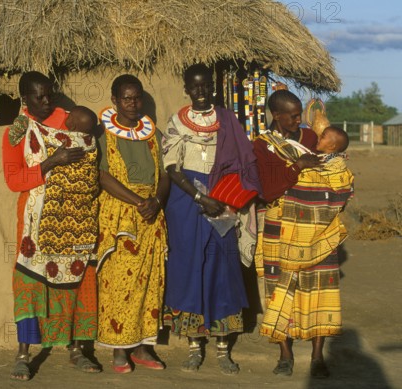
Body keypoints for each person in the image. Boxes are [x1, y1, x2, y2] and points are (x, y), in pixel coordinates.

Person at [161, 63, 262, 375]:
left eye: (206, 86)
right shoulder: (177, 122)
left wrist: (225, 198)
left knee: (222, 268)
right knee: (189, 267)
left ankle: (222, 349)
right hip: (187, 201)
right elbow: (171, 168)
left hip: (223, 198)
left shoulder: (228, 120)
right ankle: (194, 347)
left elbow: (243, 161)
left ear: (213, 88)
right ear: (187, 89)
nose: (201, 92)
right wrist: (199, 197)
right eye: (195, 87)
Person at [2, 71, 100, 381]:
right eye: (38, 97)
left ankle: (75, 348)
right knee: (30, 284)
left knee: (73, 281)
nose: (46, 102)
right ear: (24, 99)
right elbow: (14, 180)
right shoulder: (16, 133)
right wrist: (50, 163)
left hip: (75, 220)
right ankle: (23, 354)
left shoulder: (70, 120)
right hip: (35, 221)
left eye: (49, 94)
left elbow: (91, 153)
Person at [253, 90, 354, 379]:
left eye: (300, 114)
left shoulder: (311, 138)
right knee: (279, 290)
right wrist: (298, 166)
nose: (299, 121)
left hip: (318, 230)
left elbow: (335, 166)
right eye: (293, 116)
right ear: (277, 115)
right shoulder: (263, 146)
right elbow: (269, 190)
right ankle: (285, 354)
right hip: (280, 227)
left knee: (319, 290)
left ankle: (317, 355)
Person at [96, 74, 170, 373]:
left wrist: (156, 201)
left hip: (151, 215)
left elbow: (165, 174)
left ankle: (143, 347)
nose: (133, 103)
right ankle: (118, 349)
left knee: (150, 283)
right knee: (118, 284)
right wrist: (137, 201)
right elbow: (102, 176)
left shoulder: (153, 134)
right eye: (126, 98)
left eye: (137, 97)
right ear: (114, 100)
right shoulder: (102, 134)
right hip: (120, 216)